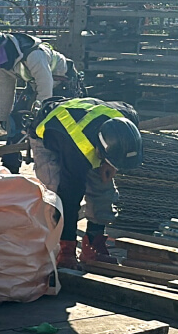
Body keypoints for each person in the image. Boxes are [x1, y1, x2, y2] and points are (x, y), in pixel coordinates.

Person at [29, 96, 143, 269]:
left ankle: (93, 243)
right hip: (49, 135)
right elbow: (69, 198)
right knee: (55, 197)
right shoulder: (76, 151)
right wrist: (68, 247)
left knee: (103, 190)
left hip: (85, 125)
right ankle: (62, 248)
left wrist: (110, 164)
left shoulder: (128, 118)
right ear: (101, 148)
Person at [0, 29, 85, 173]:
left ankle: (65, 169)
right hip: (36, 85)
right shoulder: (3, 63)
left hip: (63, 85)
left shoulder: (33, 54)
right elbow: (6, 90)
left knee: (57, 126)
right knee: (16, 120)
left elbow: (45, 87)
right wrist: (4, 116)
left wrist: (40, 115)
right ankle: (9, 167)